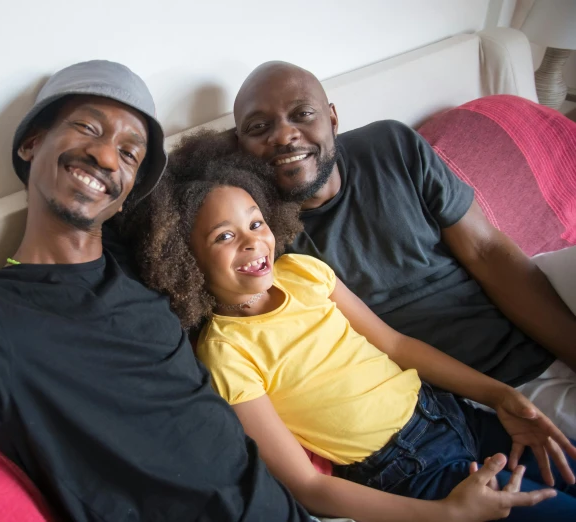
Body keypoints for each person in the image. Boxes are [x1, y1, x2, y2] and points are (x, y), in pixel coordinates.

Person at [0, 60, 322, 521]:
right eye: (88, 128)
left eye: (130, 153)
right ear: (31, 143)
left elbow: (244, 184)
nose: (107, 157)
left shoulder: (149, 261)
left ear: (128, 195)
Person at [129, 129, 576, 521]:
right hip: (414, 476)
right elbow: (309, 488)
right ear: (185, 261)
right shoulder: (226, 355)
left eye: (256, 222)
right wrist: (445, 515)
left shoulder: (305, 273)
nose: (253, 241)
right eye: (224, 236)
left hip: (457, 416)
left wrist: (499, 396)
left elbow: (397, 346)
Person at [231, 61, 576, 438]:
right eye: (259, 127)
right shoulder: (259, 237)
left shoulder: (391, 144)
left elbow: (487, 251)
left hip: (534, 306)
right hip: (476, 387)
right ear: (239, 147)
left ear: (332, 118)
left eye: (303, 114)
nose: (284, 135)